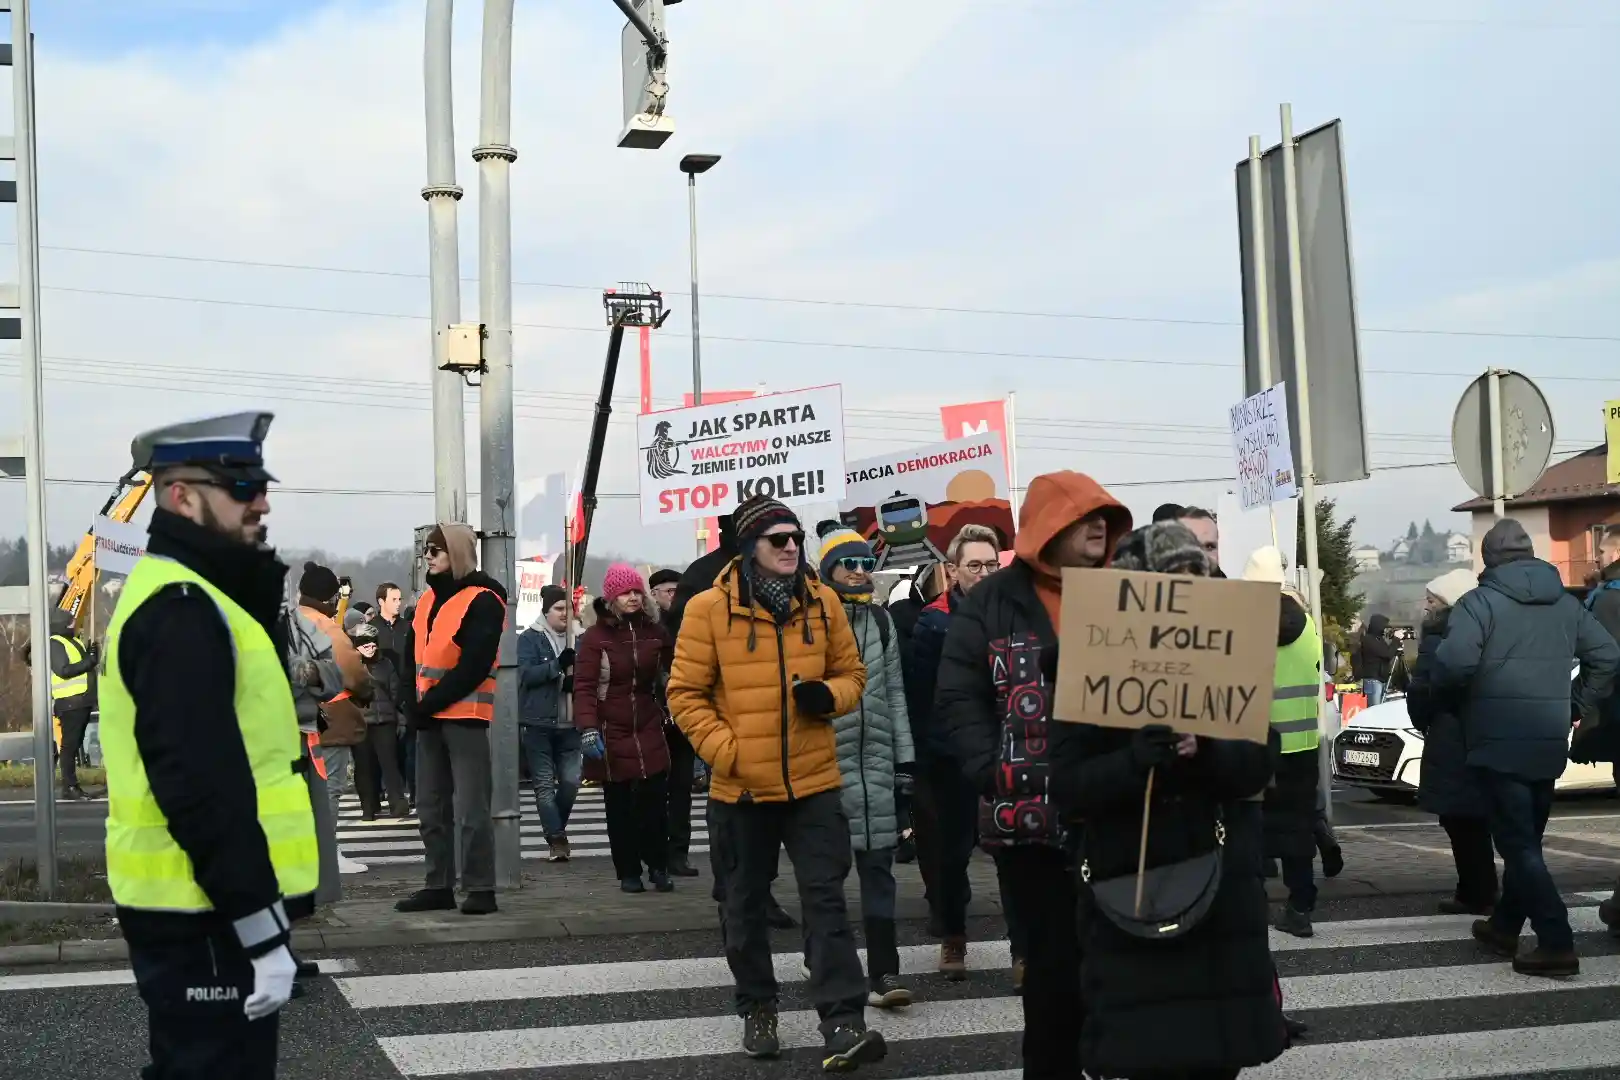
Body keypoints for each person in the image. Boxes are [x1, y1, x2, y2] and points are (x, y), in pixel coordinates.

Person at [99, 412, 317, 1078]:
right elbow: (199, 786)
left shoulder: (199, 595)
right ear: (180, 496)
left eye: (260, 482)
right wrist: (260, 927)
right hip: (203, 914)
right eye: (241, 483)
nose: (262, 500)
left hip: (199, 907)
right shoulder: (184, 606)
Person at [1051, 522, 1287, 1080]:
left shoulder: (1229, 657)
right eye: (1171, 587)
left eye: (1195, 585)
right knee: (1149, 1055)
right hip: (1130, 880)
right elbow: (1068, 786)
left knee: (1217, 1058)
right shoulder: (1085, 668)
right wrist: (1136, 760)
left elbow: (1257, 761)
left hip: (1219, 887)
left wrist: (1204, 750)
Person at [668, 495, 886, 1070]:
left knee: (827, 903)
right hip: (740, 790)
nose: (791, 546)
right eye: (777, 539)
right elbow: (684, 695)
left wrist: (831, 697)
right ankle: (758, 1006)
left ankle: (843, 1021)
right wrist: (726, 752)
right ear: (749, 547)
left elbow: (852, 673)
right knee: (742, 907)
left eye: (795, 537)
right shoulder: (708, 610)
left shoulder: (825, 603)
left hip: (814, 784)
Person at [936, 471, 1132, 1079]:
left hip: (1118, 808)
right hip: (1031, 819)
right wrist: (988, 769)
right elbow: (958, 695)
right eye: (1084, 517)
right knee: (1052, 973)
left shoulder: (1128, 591)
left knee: (1124, 964)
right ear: (1050, 527)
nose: (1099, 526)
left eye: (1105, 516)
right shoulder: (993, 600)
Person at [1432, 518, 1619, 977]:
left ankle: (1556, 940)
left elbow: (1453, 665)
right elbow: (1608, 656)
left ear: (1488, 559)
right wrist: (1576, 704)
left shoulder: (1479, 604)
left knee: (1517, 845)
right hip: (1547, 739)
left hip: (1496, 740)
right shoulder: (1567, 605)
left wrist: (1455, 702)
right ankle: (1504, 925)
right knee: (1526, 840)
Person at [668, 512, 796, 928]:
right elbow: (681, 648)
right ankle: (736, 888)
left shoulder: (782, 570)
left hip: (766, 712)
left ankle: (746, 888)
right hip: (724, 711)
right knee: (730, 802)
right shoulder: (706, 576)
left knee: (756, 808)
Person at [816, 521, 916, 1009]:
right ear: (828, 570)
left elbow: (895, 694)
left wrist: (905, 761)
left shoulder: (882, 621)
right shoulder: (812, 621)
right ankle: (828, 967)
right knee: (827, 880)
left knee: (880, 876)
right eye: (847, 564)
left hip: (876, 768)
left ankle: (884, 972)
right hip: (827, 772)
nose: (858, 572)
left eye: (864, 564)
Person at [904, 523, 1002, 982]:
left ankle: (1023, 950)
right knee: (951, 854)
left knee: (1017, 853)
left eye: (990, 564)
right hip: (950, 756)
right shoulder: (934, 621)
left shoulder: (1015, 615)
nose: (983, 572)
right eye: (974, 565)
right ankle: (954, 937)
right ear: (952, 571)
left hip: (1009, 751)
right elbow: (922, 696)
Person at [397, 523, 508, 917]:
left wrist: (427, 704)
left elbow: (476, 664)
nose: (429, 555)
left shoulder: (484, 598)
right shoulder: (426, 601)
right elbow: (410, 659)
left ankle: (480, 888)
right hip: (430, 718)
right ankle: (439, 885)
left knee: (471, 809)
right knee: (429, 806)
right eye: (427, 549)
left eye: (438, 549)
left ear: (458, 553)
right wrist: (412, 705)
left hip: (465, 715)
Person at [574, 564, 675, 894]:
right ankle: (629, 871)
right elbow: (585, 686)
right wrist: (588, 728)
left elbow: (672, 674)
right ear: (611, 598)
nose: (632, 597)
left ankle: (659, 865)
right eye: (625, 593)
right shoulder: (596, 637)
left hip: (648, 722)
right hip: (611, 726)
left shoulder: (655, 632)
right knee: (619, 805)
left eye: (636, 591)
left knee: (655, 801)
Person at [1243, 548, 1325, 939]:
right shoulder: (1308, 624)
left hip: (1260, 746)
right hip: (1304, 746)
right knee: (1298, 830)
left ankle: (1251, 910)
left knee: (1252, 830)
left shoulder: (1245, 626)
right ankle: (1300, 907)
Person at [1408, 567, 1496, 916]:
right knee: (1473, 818)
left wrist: (1425, 719)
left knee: (1460, 819)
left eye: (1431, 600)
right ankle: (1478, 888)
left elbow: (1423, 692)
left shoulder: (1436, 637)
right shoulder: (1484, 631)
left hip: (1448, 736)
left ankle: (1477, 892)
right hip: (1477, 733)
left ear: (1447, 604)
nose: (1425, 606)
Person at [297, 563, 373, 832]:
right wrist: (365, 692)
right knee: (329, 789)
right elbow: (352, 672)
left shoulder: (288, 620)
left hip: (292, 721)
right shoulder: (327, 628)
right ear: (329, 598)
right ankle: (327, 852)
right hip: (329, 724)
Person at [518, 583, 581, 861]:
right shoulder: (530, 639)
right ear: (546, 611)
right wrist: (556, 666)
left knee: (570, 783)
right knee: (544, 786)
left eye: (568, 608)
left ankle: (556, 828)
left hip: (572, 723)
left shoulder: (579, 637)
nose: (565, 614)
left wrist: (574, 682)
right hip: (538, 722)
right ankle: (556, 839)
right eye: (558, 608)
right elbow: (525, 675)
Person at [651, 566, 699, 877]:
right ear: (654, 594)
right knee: (654, 789)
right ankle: (656, 852)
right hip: (652, 718)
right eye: (668, 591)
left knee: (682, 789)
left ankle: (678, 852)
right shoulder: (647, 627)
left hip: (684, 718)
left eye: (677, 590)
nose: (674, 596)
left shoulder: (692, 624)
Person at [349, 614, 410, 822]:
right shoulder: (351, 666)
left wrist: (400, 719)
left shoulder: (386, 664)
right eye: (364, 643)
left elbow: (396, 694)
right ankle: (369, 807)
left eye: (372, 643)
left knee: (389, 764)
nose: (369, 647)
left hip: (385, 721)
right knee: (364, 768)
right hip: (360, 723)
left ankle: (398, 804)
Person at [47, 609, 99, 800]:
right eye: (70, 622)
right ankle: (69, 787)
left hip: (81, 701)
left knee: (74, 745)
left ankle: (71, 786)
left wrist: (92, 655)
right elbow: (63, 669)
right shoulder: (55, 643)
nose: (73, 625)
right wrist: (89, 661)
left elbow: (85, 664)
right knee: (69, 747)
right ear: (60, 623)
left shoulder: (73, 641)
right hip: (71, 703)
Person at [1355, 613, 1399, 707]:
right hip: (1373, 680)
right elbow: (1386, 654)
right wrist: (1396, 640)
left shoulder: (1379, 639)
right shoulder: (1368, 639)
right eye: (1384, 626)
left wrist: (1396, 644)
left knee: (1381, 709)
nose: (1385, 629)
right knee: (1374, 709)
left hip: (1381, 679)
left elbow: (1389, 653)